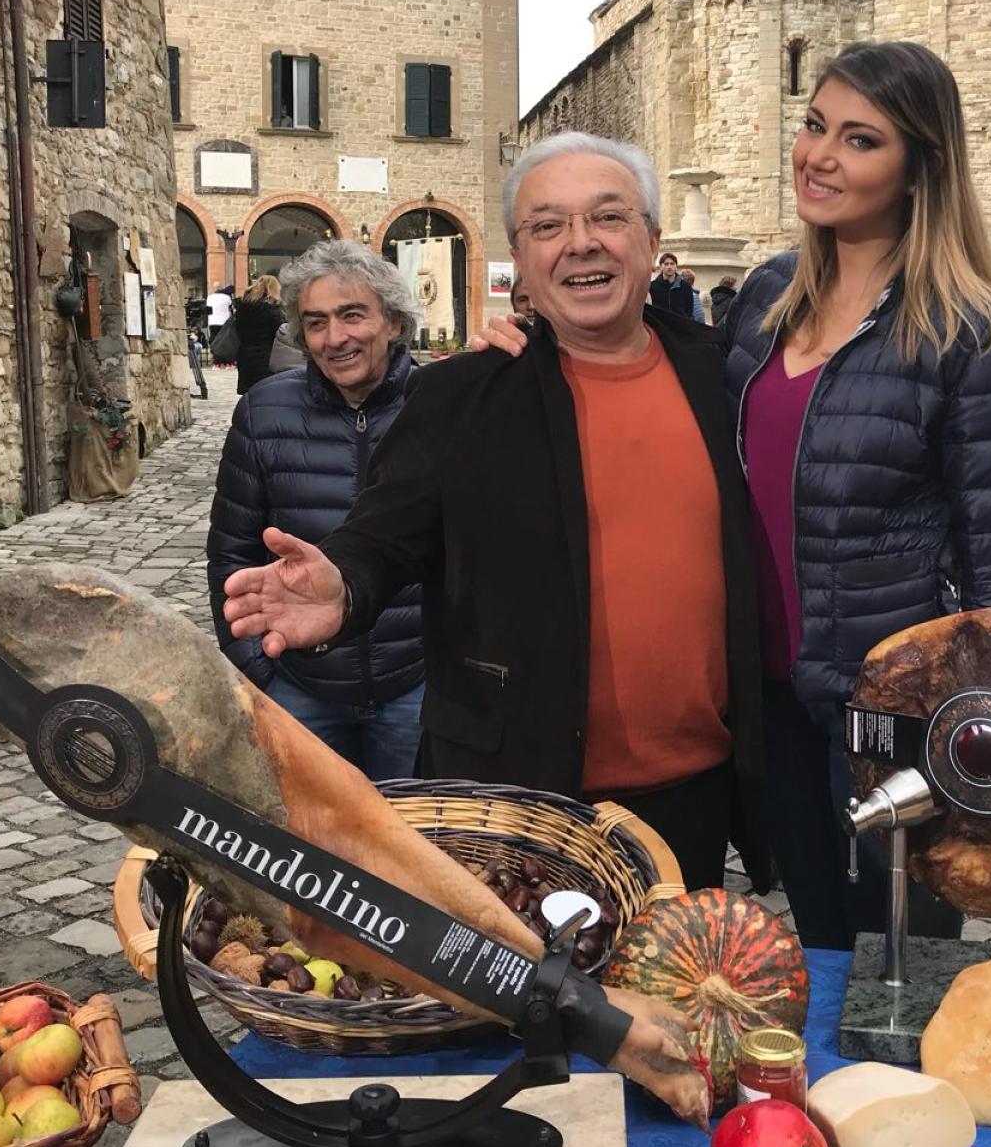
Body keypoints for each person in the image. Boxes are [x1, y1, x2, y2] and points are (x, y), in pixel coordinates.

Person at [222, 132, 773, 894]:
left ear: (651, 241)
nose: (580, 244)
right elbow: (383, 536)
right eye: (548, 226)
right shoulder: (466, 395)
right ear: (523, 258)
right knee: (510, 1014)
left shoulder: (729, 379)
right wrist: (343, 586)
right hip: (514, 795)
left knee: (669, 1003)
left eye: (607, 218)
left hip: (691, 795)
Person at [722, 40, 991, 949]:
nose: (819, 155)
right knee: (817, 942)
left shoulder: (968, 328)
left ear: (918, 170)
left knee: (895, 960)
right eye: (815, 125)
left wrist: (984, 730)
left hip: (891, 707)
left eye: (860, 140)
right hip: (772, 690)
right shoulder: (770, 296)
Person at [209, 243, 428, 780]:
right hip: (301, 691)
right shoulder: (264, 411)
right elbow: (231, 552)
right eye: (316, 322)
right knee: (312, 853)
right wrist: (259, 672)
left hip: (415, 690)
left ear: (395, 323)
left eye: (353, 315)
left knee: (417, 848)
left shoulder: (437, 406)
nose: (336, 338)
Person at [232, 274, 287, 396]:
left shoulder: (242, 308)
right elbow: (281, 331)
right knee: (266, 391)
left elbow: (238, 330)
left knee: (249, 392)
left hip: (245, 353)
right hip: (266, 355)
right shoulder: (271, 310)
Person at [648, 251, 694, 317]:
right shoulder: (652, 286)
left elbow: (689, 311)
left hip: (680, 325)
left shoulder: (685, 286)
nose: (669, 267)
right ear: (661, 266)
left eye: (672, 264)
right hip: (659, 325)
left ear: (676, 266)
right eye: (666, 264)